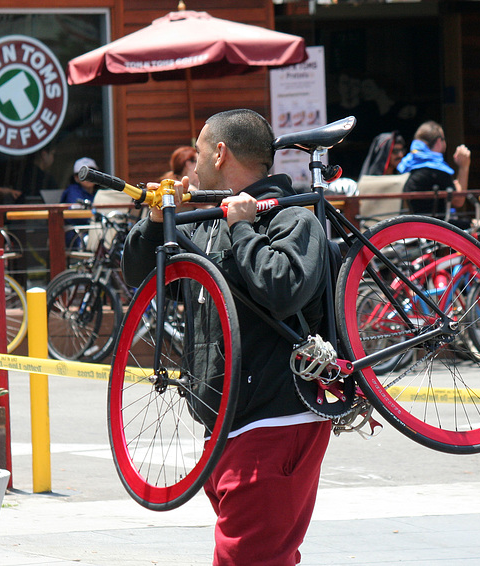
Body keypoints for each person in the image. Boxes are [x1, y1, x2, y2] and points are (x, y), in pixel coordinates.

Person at [122, 109, 331, 565]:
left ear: (220, 153)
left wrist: (241, 228)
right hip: (224, 426)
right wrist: (158, 221)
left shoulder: (293, 219)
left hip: (275, 420)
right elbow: (139, 277)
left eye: (196, 154)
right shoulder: (207, 220)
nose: (192, 169)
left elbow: (282, 288)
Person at [397, 120, 471, 223]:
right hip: (434, 227)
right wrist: (464, 166)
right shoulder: (436, 170)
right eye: (443, 139)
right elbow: (459, 201)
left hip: (411, 226)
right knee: (478, 225)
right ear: (438, 142)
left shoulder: (407, 164)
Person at [61, 157, 99, 247]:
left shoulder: (101, 191)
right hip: (76, 234)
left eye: (92, 172)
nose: (88, 177)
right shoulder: (72, 191)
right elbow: (75, 216)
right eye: (83, 173)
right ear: (76, 178)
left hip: (97, 229)